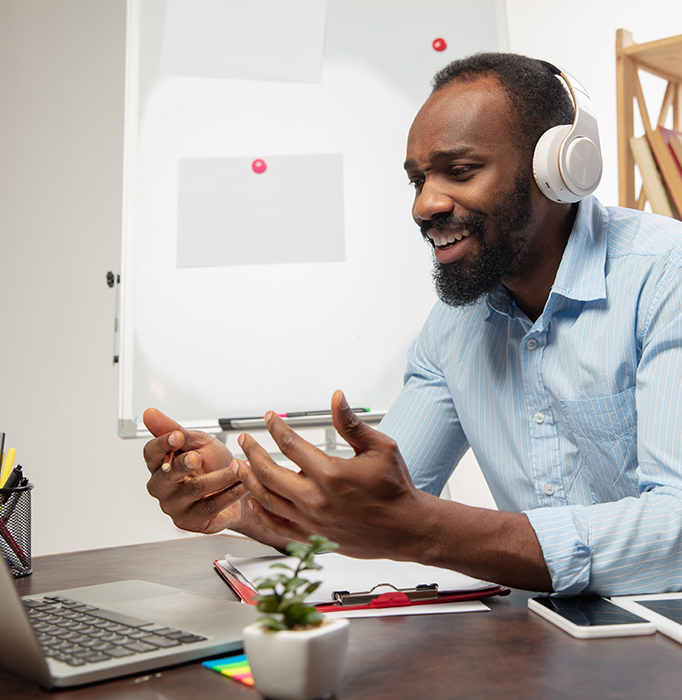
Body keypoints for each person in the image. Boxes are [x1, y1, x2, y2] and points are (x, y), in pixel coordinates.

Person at [144, 53, 682, 596]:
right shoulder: (453, 327)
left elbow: (677, 528)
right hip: (548, 646)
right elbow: (370, 515)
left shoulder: (667, 276)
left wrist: (427, 530)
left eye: (461, 171)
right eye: (418, 180)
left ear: (562, 169)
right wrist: (240, 501)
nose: (424, 205)